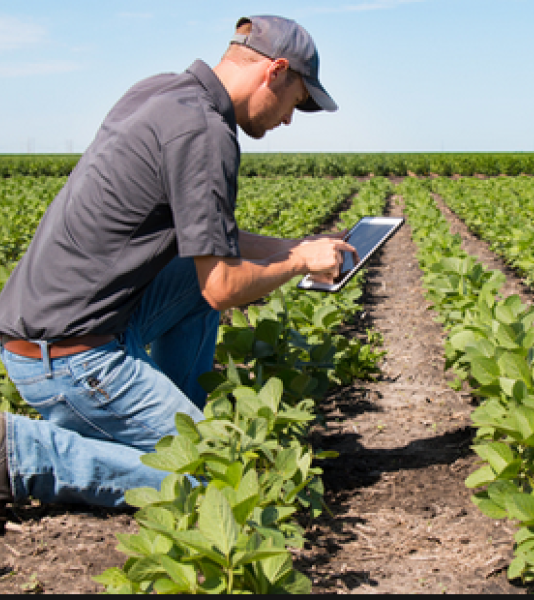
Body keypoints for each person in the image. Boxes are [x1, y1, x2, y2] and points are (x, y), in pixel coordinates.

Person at [0, 15, 353, 510]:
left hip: (54, 330)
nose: (289, 120)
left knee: (195, 270)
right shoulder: (207, 133)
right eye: (296, 101)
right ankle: (22, 451)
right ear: (274, 71)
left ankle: (174, 417)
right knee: (215, 483)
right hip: (71, 359)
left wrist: (291, 245)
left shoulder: (162, 93)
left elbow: (211, 246)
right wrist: (297, 264)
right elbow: (224, 288)